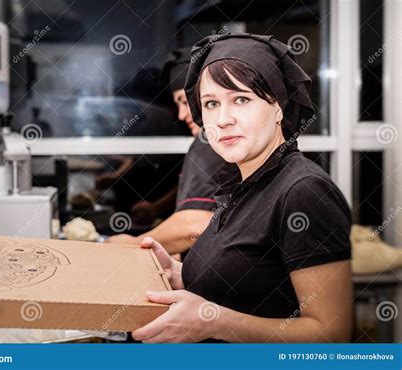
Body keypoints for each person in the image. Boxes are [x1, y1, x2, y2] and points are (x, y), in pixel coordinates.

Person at [132, 33, 353, 343]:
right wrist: (177, 273)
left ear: (279, 106)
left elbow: (332, 335)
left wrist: (212, 323)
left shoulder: (304, 192)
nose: (222, 119)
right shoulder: (241, 185)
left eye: (241, 99)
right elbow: (250, 282)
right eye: (210, 104)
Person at [107, 49, 234, 254]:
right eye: (178, 103)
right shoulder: (210, 141)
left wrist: (133, 244)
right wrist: (156, 208)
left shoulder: (212, 141)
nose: (182, 115)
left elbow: (195, 223)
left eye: (185, 102)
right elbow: (202, 194)